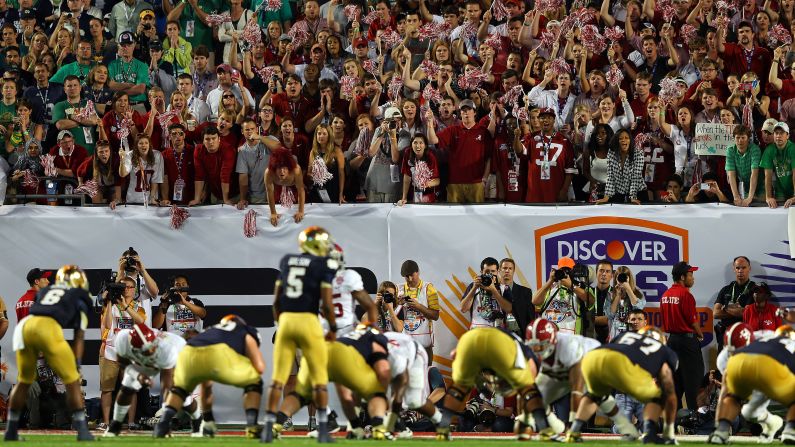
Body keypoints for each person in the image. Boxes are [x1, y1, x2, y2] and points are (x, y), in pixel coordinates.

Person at [263, 226, 338, 444]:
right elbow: (326, 302)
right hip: (307, 321)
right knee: (317, 378)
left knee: (279, 379)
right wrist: (332, 328)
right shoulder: (321, 265)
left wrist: (281, 322)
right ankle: (323, 426)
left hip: (285, 323)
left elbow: (276, 301)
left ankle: (270, 424)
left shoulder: (287, 261)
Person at [4, 265, 94, 441]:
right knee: (72, 381)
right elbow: (79, 335)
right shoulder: (82, 296)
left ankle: (11, 431)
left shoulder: (46, 291)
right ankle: (83, 430)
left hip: (25, 327)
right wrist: (76, 364)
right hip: (47, 328)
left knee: (23, 382)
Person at [269, 326, 393, 440]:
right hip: (336, 351)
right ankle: (376, 426)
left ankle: (282, 423)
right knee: (369, 393)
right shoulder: (377, 339)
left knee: (305, 392)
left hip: (321, 348)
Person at [154, 315, 265, 438]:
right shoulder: (245, 330)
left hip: (187, 352)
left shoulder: (210, 331)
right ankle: (252, 426)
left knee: (180, 391)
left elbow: (206, 386)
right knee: (255, 382)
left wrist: (208, 420)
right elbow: (260, 367)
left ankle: (163, 425)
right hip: (216, 352)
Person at [435, 326, 553, 440]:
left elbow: (454, 355)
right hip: (495, 345)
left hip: (470, 338)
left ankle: (443, 428)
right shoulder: (527, 366)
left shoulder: (518, 360)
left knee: (459, 388)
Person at [564, 327, 678, 444]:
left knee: (595, 395)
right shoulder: (665, 351)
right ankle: (649, 434)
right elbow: (668, 388)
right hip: (622, 362)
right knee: (660, 396)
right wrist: (669, 432)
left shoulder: (625, 335)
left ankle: (573, 431)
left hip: (592, 357)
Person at [104, 323, 201, 437]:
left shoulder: (168, 348)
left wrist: (165, 421)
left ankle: (197, 420)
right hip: (142, 362)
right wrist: (138, 376)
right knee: (127, 388)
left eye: (152, 347)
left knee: (181, 396)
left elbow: (166, 386)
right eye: (147, 350)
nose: (151, 351)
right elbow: (122, 363)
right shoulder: (123, 339)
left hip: (170, 357)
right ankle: (116, 423)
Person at [707, 325, 795, 445]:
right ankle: (790, 430)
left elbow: (725, 392)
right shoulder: (772, 337)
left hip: (740, 365)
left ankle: (721, 431)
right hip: (773, 369)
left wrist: (719, 425)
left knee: (737, 401)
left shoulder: (726, 356)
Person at [526, 318, 608, 435]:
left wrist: (573, 422)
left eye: (542, 345)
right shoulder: (533, 351)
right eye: (534, 345)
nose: (538, 349)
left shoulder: (569, 348)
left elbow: (577, 388)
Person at [99, 276, 146, 431]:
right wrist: (109, 302)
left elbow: (140, 321)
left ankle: (131, 422)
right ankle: (106, 422)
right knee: (107, 389)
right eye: (123, 286)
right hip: (111, 350)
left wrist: (125, 306)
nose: (126, 289)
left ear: (135, 290)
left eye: (130, 286)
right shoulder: (110, 305)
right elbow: (106, 325)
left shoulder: (138, 306)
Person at [425, 100, 494, 203]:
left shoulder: (483, 131)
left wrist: (484, 178)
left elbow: (489, 157)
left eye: (469, 110)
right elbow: (432, 140)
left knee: (476, 219)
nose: (466, 112)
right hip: (454, 183)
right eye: (463, 110)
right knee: (453, 217)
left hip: (477, 183)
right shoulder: (453, 130)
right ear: (460, 113)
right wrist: (430, 123)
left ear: (474, 112)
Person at [660, 261, 705, 411]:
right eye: (690, 275)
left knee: (675, 384)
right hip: (687, 343)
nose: (693, 278)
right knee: (694, 382)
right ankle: (694, 420)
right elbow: (693, 321)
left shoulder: (665, 295)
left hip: (672, 342)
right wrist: (699, 335)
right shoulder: (686, 295)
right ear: (682, 277)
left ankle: (676, 420)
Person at [515, 107, 576, 203]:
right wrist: (516, 137)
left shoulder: (564, 141)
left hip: (555, 191)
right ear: (539, 120)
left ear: (554, 120)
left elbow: (570, 170)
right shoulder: (530, 138)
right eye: (543, 118)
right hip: (534, 192)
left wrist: (564, 191)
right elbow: (519, 151)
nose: (546, 120)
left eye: (549, 118)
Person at [324, 243, 377, 335]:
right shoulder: (348, 276)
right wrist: (372, 329)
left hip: (324, 330)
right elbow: (370, 306)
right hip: (346, 330)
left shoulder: (311, 278)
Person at [532, 257, 593, 335]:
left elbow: (590, 300)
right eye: (562, 271)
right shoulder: (550, 289)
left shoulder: (580, 288)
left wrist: (572, 286)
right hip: (548, 337)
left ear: (573, 272)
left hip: (571, 339)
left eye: (568, 271)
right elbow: (535, 301)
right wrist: (550, 281)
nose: (565, 274)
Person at [396, 259, 440, 360]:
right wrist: (397, 305)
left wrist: (418, 306)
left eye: (412, 275)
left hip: (424, 342)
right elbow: (390, 314)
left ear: (418, 272)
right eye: (406, 276)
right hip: (405, 342)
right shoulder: (398, 289)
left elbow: (435, 316)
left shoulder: (428, 288)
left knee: (426, 373)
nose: (410, 279)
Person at [713, 256, 756, 350]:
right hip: (725, 338)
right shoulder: (726, 289)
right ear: (734, 269)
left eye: (743, 267)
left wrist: (726, 308)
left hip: (744, 337)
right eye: (737, 268)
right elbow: (715, 313)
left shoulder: (755, 290)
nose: (740, 271)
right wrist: (736, 309)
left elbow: (745, 313)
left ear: (749, 268)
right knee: (724, 364)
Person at [460, 257, 512, 329]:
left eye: (493, 271)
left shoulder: (504, 288)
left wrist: (494, 290)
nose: (490, 274)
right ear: (481, 272)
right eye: (487, 271)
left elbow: (509, 309)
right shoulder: (473, 286)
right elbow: (463, 309)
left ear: (497, 272)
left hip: (498, 331)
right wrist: (474, 288)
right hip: (477, 331)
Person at [606, 266, 646, 341]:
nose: (622, 280)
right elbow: (609, 315)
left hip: (633, 335)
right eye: (619, 278)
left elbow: (638, 310)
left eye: (624, 277)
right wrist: (617, 296)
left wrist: (629, 289)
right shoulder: (610, 294)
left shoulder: (638, 293)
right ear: (616, 279)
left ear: (629, 278)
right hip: (615, 335)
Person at [761, 121, 795, 208]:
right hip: (780, 189)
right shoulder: (769, 150)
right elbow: (767, 176)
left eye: (782, 133)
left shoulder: (793, 149)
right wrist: (768, 197)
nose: (778, 136)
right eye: (776, 133)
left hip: (793, 188)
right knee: (776, 208)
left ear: (788, 136)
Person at [500, 258, 534, 338]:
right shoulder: (494, 291)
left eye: (510, 268)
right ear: (499, 270)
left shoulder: (525, 292)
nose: (507, 271)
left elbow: (530, 318)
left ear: (513, 271)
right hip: (499, 334)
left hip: (519, 335)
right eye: (504, 268)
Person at [590, 260, 614, 343]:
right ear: (596, 273)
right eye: (601, 271)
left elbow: (614, 318)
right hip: (591, 337)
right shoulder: (588, 292)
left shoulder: (616, 294)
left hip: (611, 338)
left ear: (612, 276)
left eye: (607, 271)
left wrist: (592, 319)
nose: (604, 274)